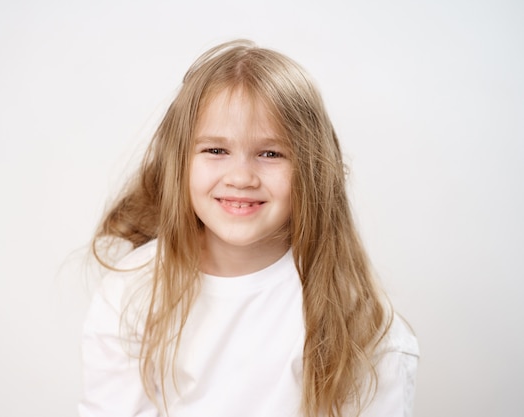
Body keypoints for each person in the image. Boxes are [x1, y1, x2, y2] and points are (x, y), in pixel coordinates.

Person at [78, 39, 419, 417]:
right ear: (180, 161)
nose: (241, 177)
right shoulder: (132, 290)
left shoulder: (357, 319)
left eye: (270, 153)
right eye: (216, 150)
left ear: (311, 168)